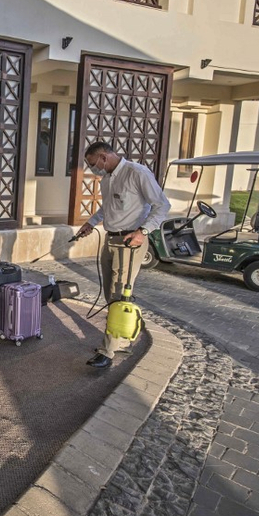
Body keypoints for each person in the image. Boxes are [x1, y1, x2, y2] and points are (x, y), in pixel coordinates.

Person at [74, 141, 170, 369]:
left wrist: (143, 232)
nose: (92, 169)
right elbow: (107, 207)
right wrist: (90, 223)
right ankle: (124, 336)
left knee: (119, 292)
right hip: (111, 239)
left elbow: (162, 205)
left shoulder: (137, 173)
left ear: (104, 157)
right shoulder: (107, 179)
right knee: (110, 291)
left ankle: (108, 351)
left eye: (92, 163)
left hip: (131, 240)